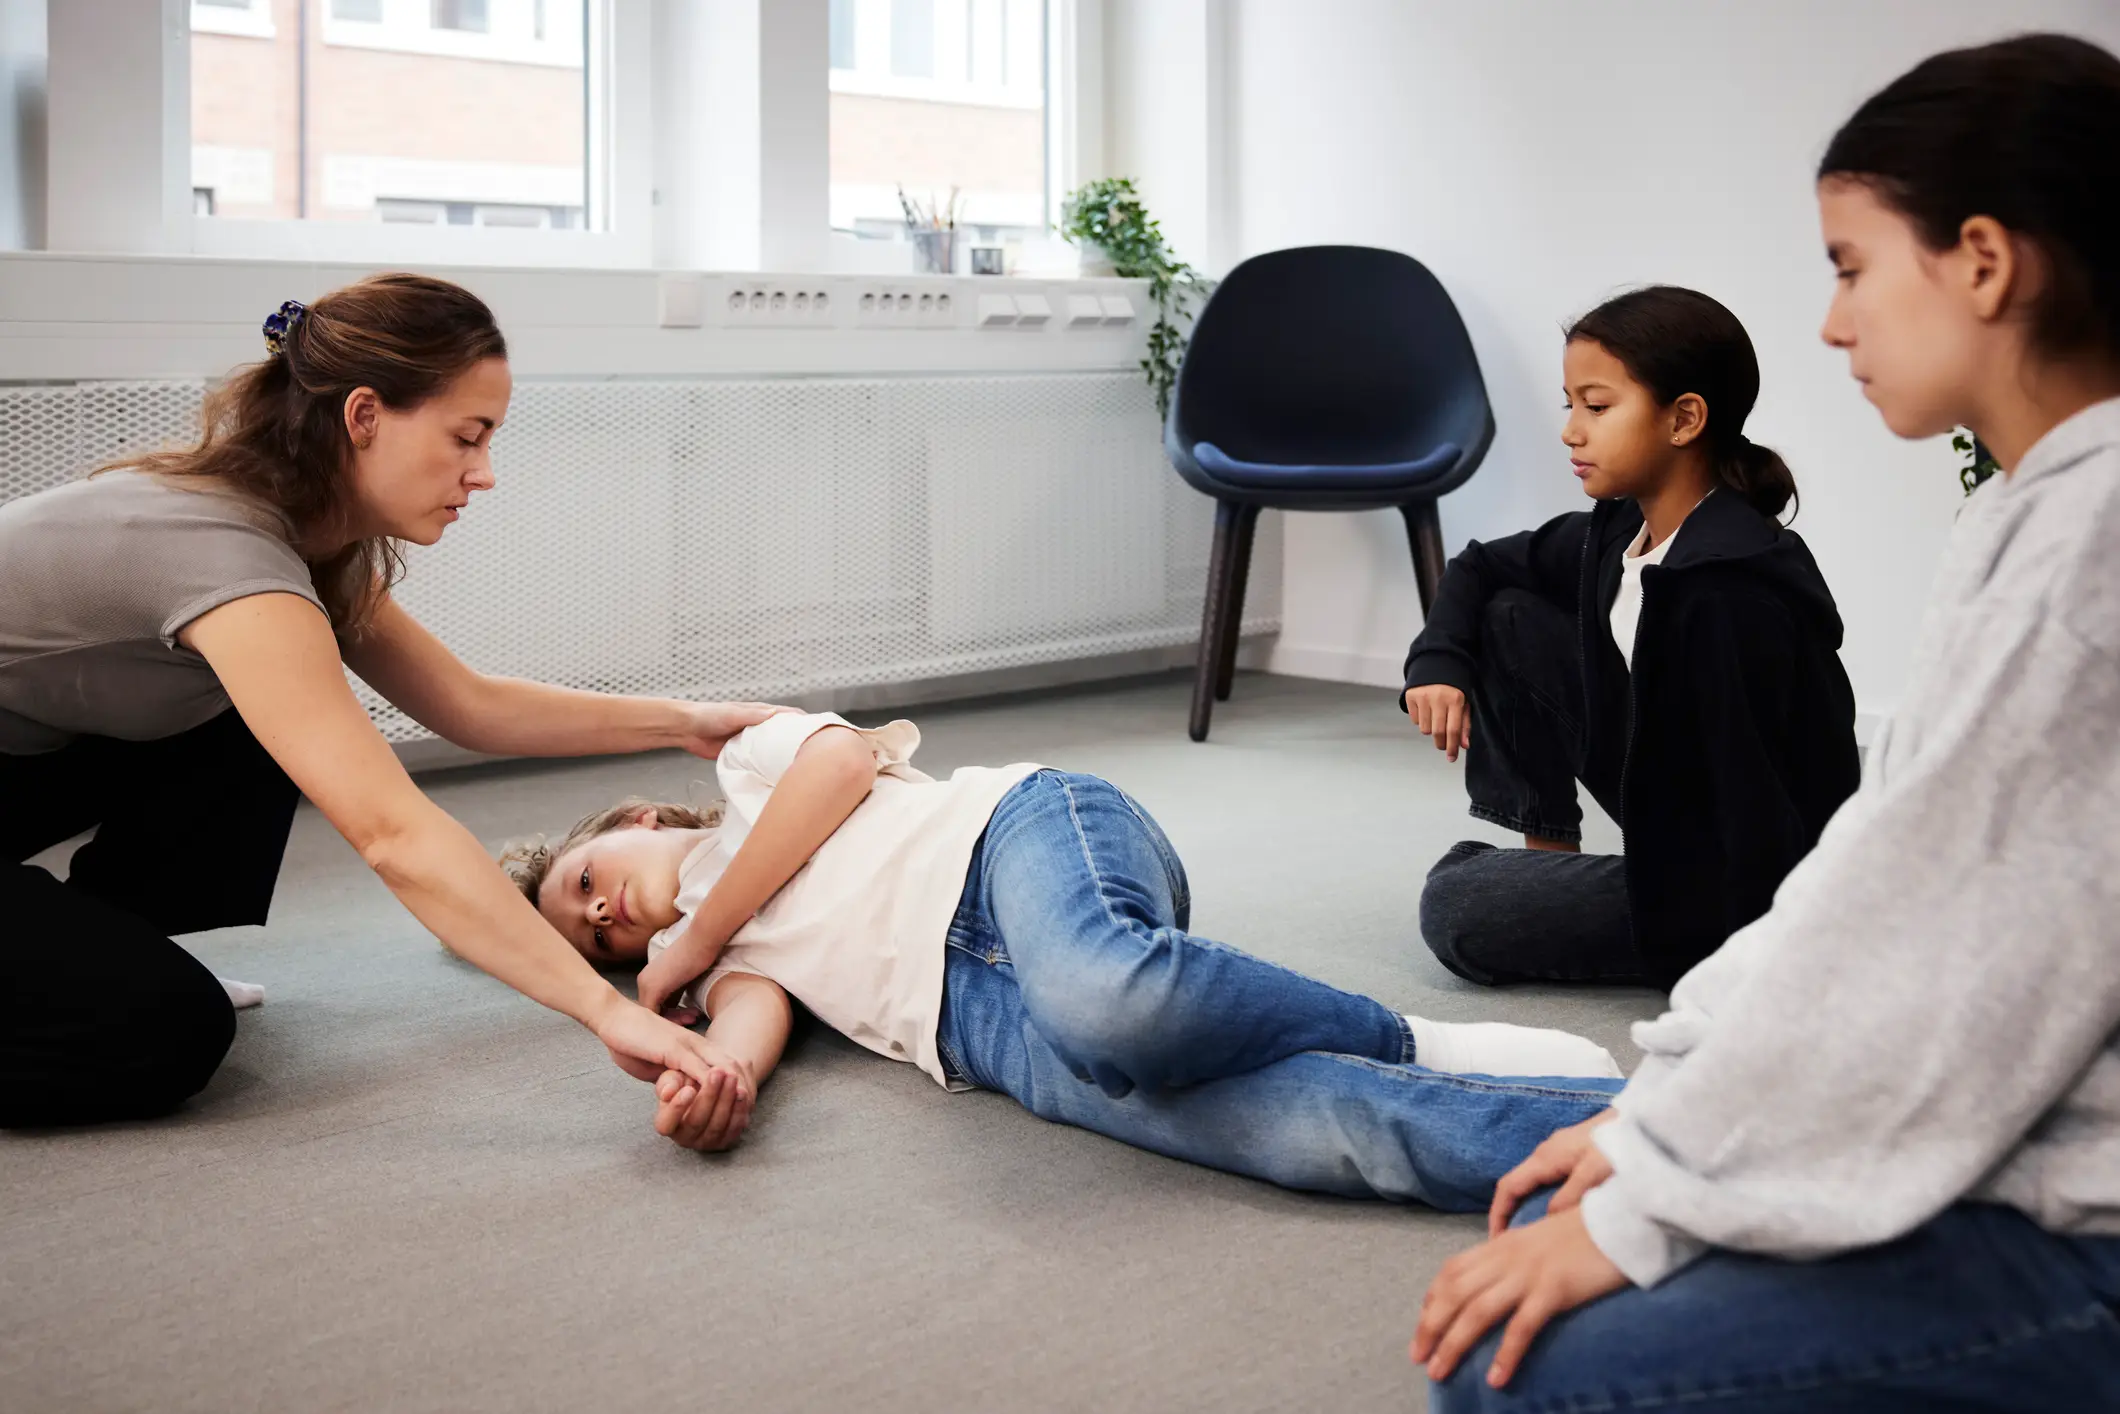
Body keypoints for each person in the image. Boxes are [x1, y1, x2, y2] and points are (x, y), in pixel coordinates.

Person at [1414, 34, 2120, 1410]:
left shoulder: (2073, 558)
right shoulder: (2033, 517)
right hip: (1868, 1019)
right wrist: (1662, 1111)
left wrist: (1661, 1190)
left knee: (1524, 1370)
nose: (1833, 323)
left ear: (1983, 260)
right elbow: (1889, 861)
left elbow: (1939, 969)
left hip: (2068, 1213)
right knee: (1504, 981)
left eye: (1852, 267)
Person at [0, 274, 778, 1142]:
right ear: (364, 416)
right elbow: (393, 833)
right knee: (163, 1036)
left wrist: (685, 722)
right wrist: (604, 1010)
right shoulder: (227, 559)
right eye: (466, 438)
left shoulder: (300, 539)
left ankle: (103, 941)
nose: (483, 475)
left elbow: (468, 705)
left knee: (261, 719)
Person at [501, 708, 1628, 1198]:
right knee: (1293, 1131)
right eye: (597, 939)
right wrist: (723, 1074)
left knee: (1109, 1001)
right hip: (979, 1031)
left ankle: (1410, 1036)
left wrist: (692, 929)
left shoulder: (746, 774)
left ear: (635, 821)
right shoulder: (720, 965)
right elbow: (756, 1017)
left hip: (1019, 844)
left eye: (586, 886)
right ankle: (1609, 1139)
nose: (606, 920)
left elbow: (840, 766)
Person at [1403, 285, 1860, 990]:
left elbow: (1758, 801)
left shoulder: (1725, 593)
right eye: (1570, 405)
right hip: (1671, 801)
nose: (1571, 431)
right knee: (1509, 616)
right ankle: (1544, 853)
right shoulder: (1618, 528)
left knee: (1455, 905)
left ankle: (1533, 881)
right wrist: (1438, 665)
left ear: (1684, 419)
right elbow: (1480, 564)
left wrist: (1761, 966)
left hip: (1747, 888)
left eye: (1597, 405)